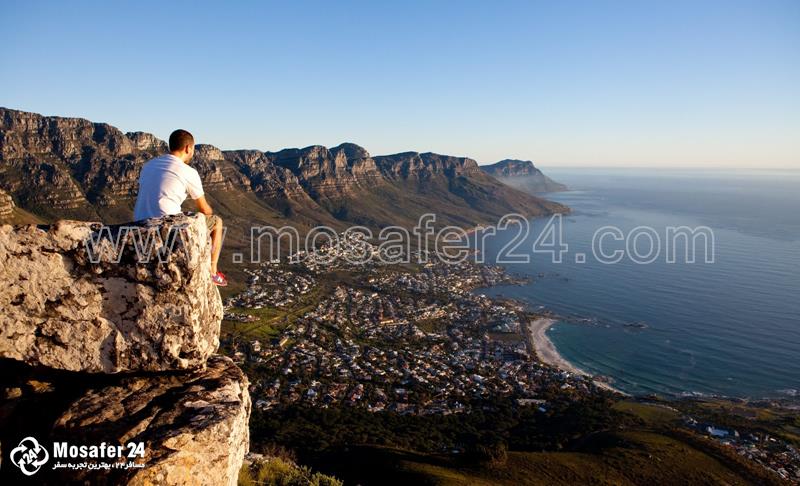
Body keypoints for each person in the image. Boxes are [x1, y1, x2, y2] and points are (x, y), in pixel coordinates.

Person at [133, 129, 227, 286]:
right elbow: (204, 210)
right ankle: (212, 271)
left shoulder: (148, 166)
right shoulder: (188, 172)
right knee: (217, 222)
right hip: (166, 227)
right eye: (193, 149)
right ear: (188, 148)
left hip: (139, 223)